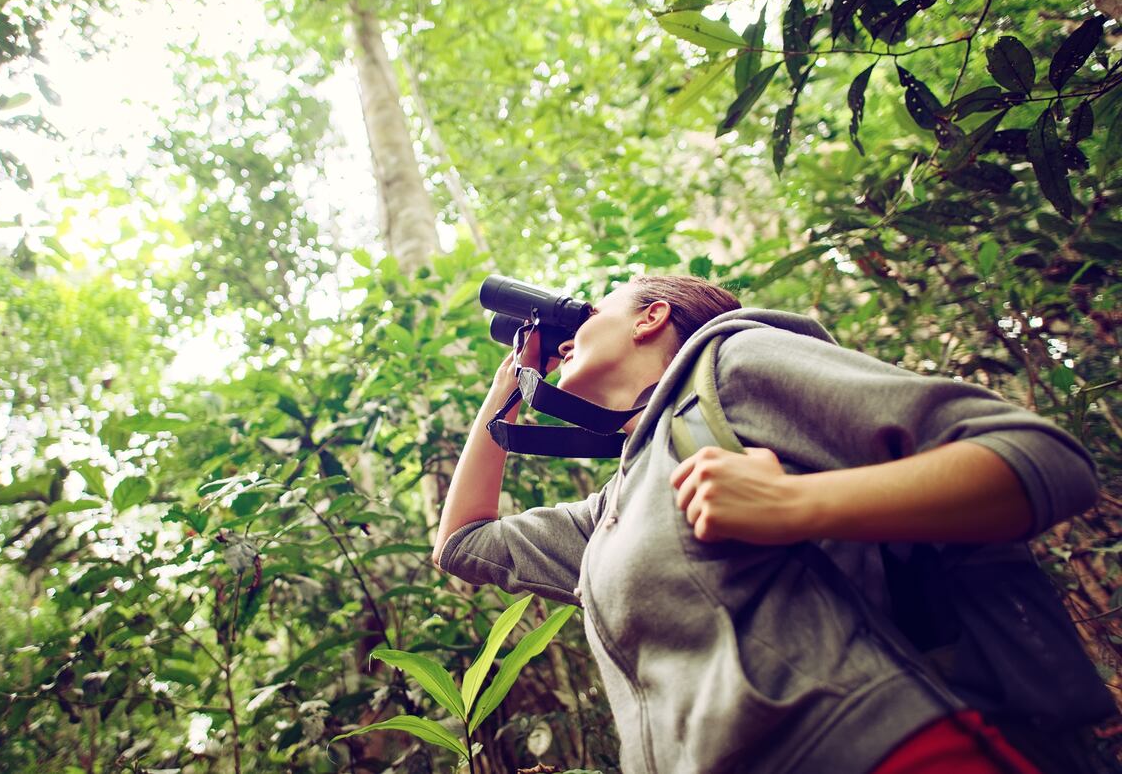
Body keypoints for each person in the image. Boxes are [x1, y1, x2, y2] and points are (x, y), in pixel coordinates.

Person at [432, 275, 1101, 774]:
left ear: (652, 317)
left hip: (879, 751)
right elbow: (463, 542)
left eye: (594, 310)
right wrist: (511, 381)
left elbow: (1042, 461)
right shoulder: (613, 508)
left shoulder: (730, 369)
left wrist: (796, 506)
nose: (570, 335)